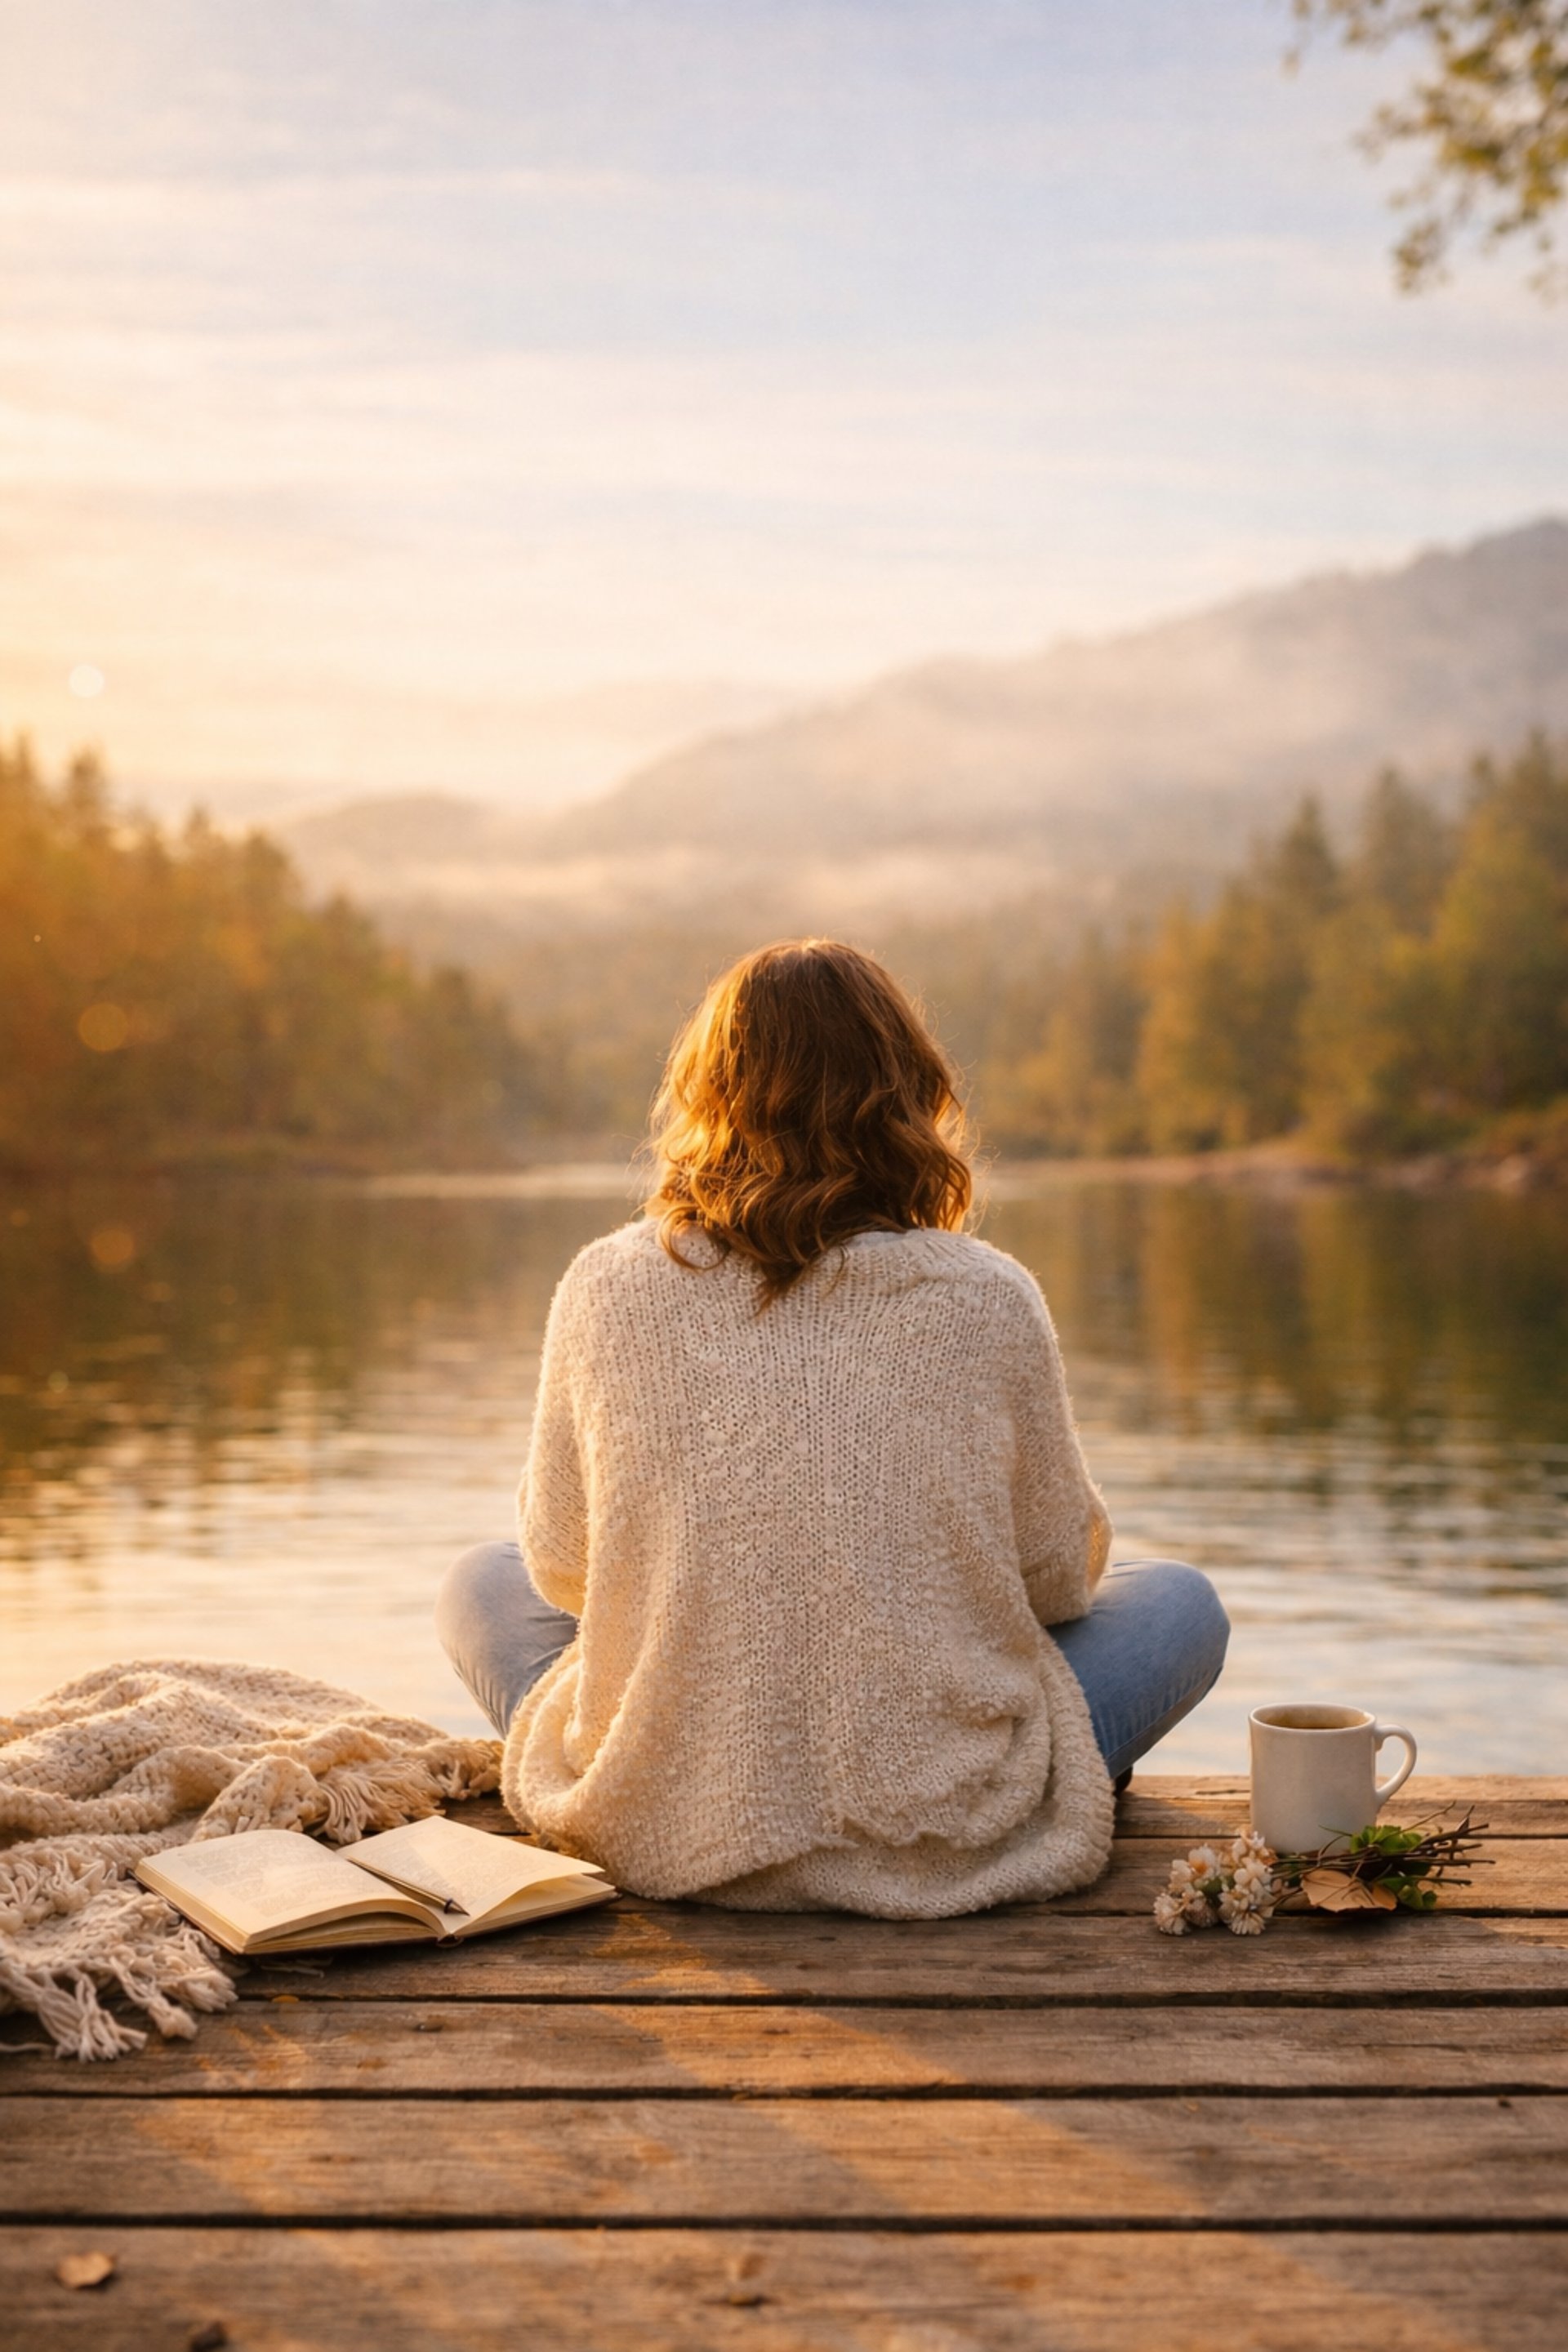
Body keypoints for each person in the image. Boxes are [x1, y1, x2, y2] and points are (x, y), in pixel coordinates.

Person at [438, 938, 1227, 1918]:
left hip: (664, 1808)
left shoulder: (605, 1284)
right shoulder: (987, 1294)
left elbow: (563, 1568)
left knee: (482, 1577)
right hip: (938, 1813)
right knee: (1180, 1602)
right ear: (907, 1096)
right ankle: (1017, 1781)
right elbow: (1057, 1577)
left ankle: (678, 1779)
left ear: (707, 1098)